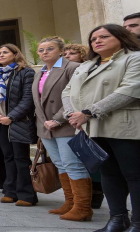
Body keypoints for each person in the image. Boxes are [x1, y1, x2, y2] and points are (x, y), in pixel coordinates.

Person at [63, 24, 140, 231]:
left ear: (121, 37)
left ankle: (138, 222)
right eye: (93, 38)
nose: (97, 41)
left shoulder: (134, 58)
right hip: (93, 127)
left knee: (133, 174)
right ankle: (117, 219)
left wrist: (88, 112)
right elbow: (68, 91)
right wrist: (71, 114)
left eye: (104, 37)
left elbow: (130, 90)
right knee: (109, 174)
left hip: (124, 126)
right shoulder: (85, 65)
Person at [32, 36, 90, 220]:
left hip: (66, 125)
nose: (44, 53)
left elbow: (77, 97)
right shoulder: (40, 72)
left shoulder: (72, 68)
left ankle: (83, 208)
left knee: (73, 164)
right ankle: (70, 203)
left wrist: (57, 119)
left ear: (60, 51)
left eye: (49, 49)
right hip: (45, 126)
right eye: (41, 50)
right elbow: (38, 101)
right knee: (60, 164)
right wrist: (44, 122)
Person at [0, 44, 38, 206]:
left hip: (18, 122)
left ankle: (26, 195)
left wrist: (11, 117)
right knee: (8, 158)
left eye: (5, 52)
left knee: (21, 158)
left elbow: (28, 99)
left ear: (15, 54)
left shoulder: (25, 72)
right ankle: (10, 191)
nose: (1, 55)